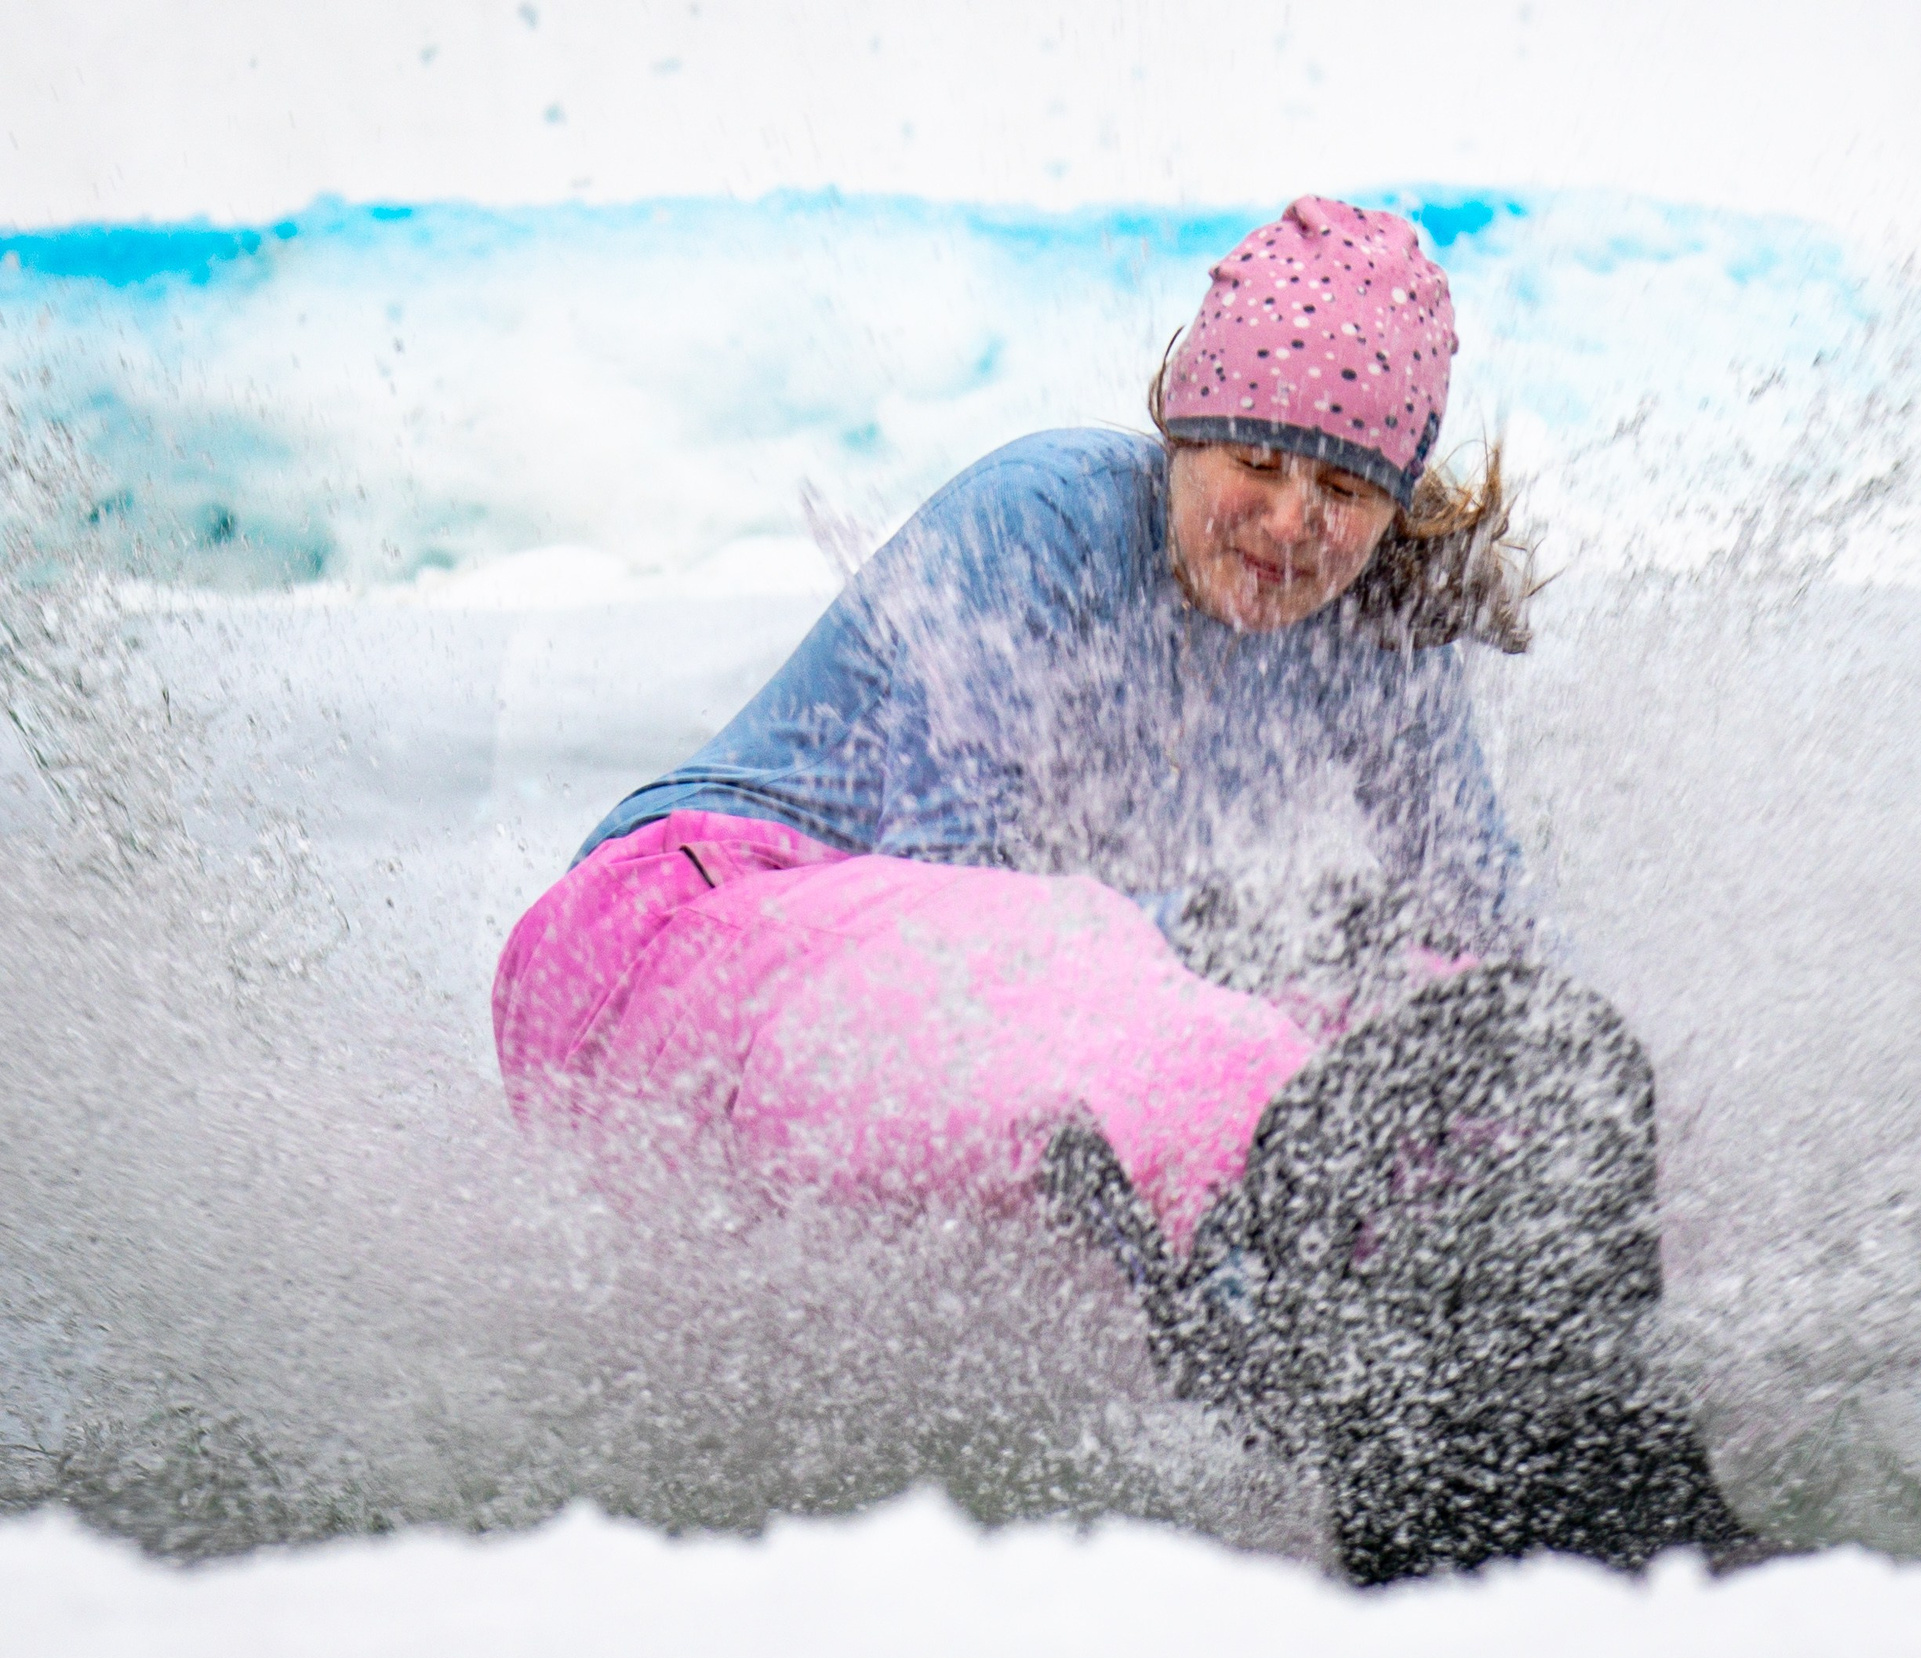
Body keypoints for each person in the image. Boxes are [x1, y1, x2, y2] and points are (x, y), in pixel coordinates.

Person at [492, 195, 1750, 1580]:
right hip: (667, 944)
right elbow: (959, 892)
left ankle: (1565, 1473)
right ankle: (1375, 1433)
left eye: (1342, 493)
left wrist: (1574, 1155)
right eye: (1256, 462)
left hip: (937, 1007)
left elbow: (1491, 939)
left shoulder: (1378, 625)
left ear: (1393, 506)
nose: (1292, 522)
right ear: (1181, 430)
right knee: (1224, 1045)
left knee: (1445, 1052)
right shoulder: (1042, 516)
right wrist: (1249, 982)